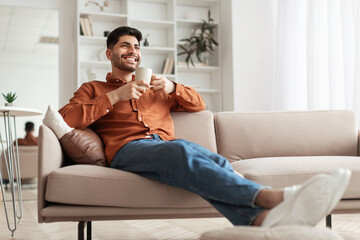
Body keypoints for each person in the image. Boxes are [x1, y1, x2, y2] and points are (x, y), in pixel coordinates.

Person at [59, 26, 351, 227]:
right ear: (109, 53)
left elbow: (198, 104)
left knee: (213, 159)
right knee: (182, 153)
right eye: (125, 45)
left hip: (166, 146)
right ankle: (266, 196)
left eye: (136, 46)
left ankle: (256, 220)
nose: (133, 50)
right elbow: (67, 118)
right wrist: (115, 96)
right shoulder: (93, 88)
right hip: (127, 151)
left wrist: (173, 87)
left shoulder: (158, 89)